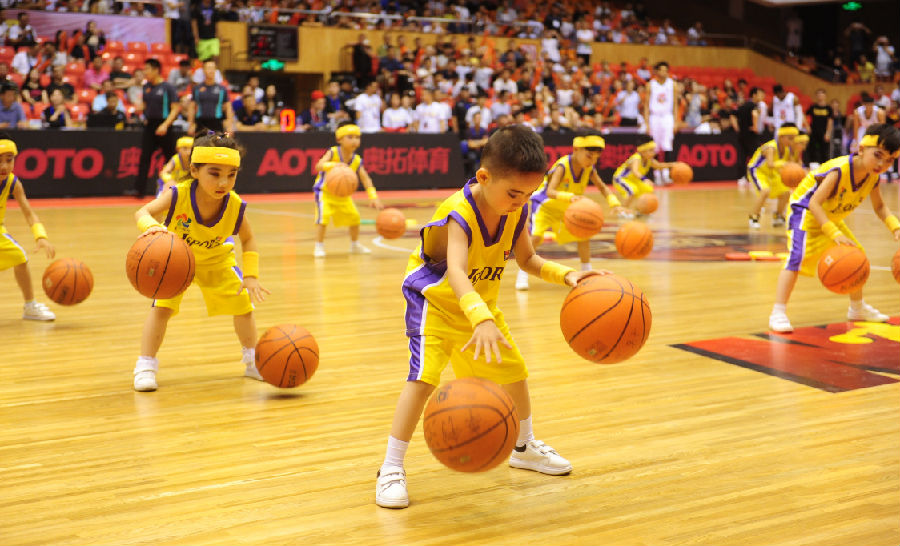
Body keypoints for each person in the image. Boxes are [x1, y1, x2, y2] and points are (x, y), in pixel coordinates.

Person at [375, 125, 603, 509]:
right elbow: (458, 271)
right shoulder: (457, 212)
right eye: (513, 193)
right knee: (423, 379)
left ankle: (523, 446)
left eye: (529, 194)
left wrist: (566, 275)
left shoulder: (519, 207)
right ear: (483, 177)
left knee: (515, 373)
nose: (520, 201)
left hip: (479, 306)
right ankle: (390, 467)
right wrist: (480, 318)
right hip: (435, 303)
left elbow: (528, 259)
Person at [131, 133, 270, 391]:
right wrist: (153, 229)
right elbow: (143, 212)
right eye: (215, 174)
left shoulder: (235, 205)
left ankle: (252, 361)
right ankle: (145, 365)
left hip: (217, 259)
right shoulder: (177, 195)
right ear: (194, 170)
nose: (224, 182)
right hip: (176, 260)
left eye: (231, 174)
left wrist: (250, 275)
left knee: (243, 306)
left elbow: (248, 240)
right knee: (162, 309)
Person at [768, 123, 900, 333]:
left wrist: (895, 227)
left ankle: (857, 309)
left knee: (857, 256)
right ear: (861, 149)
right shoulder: (840, 170)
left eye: (890, 160)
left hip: (829, 215)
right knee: (797, 257)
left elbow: (880, 206)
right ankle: (778, 311)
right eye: (878, 155)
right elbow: (813, 204)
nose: (882, 163)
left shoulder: (872, 176)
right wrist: (833, 233)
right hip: (805, 211)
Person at [515, 134, 626, 291]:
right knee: (536, 238)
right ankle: (523, 272)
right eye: (589, 156)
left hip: (567, 208)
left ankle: (587, 272)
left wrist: (614, 203)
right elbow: (550, 191)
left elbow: (602, 187)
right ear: (576, 150)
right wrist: (570, 196)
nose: (592, 161)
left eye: (595, 158)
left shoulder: (589, 168)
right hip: (545, 205)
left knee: (584, 235)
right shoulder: (563, 166)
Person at [0, 134, 56, 321]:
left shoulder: (12, 183)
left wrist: (40, 236)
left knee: (20, 258)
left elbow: (29, 213)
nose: (4, 167)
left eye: (9, 160)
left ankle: (30, 306)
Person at [311, 122, 383, 258]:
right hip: (324, 192)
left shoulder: (356, 160)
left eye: (357, 137)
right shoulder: (333, 152)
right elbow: (319, 166)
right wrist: (333, 165)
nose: (354, 140)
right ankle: (319, 245)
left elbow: (366, 179)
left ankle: (354, 245)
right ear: (339, 139)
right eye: (350, 137)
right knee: (323, 218)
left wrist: (373, 197)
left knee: (354, 218)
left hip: (343, 194)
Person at [133, 58, 181, 197]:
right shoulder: (146, 86)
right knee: (144, 157)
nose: (145, 72)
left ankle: (174, 189)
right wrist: (140, 109)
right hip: (150, 125)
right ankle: (139, 191)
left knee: (170, 159)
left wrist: (165, 125)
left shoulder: (168, 87)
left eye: (147, 69)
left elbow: (175, 108)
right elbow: (145, 106)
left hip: (165, 125)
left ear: (156, 70)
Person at [746, 123, 797, 228]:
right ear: (781, 137)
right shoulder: (771, 147)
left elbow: (792, 165)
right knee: (765, 191)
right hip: (758, 171)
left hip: (771, 173)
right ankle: (754, 216)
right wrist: (783, 164)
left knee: (786, 191)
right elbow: (770, 164)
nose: (792, 141)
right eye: (790, 138)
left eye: (793, 139)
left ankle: (778, 215)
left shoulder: (787, 150)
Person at [612, 136, 675, 210]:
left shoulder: (649, 160)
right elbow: (635, 171)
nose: (653, 153)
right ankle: (622, 210)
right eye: (650, 150)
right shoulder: (636, 158)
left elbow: (659, 166)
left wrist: (673, 164)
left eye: (653, 150)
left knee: (647, 190)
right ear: (642, 151)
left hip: (633, 180)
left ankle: (639, 210)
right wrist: (644, 179)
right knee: (632, 191)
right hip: (621, 179)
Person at [643, 61, 678, 184]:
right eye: (661, 70)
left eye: (666, 70)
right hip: (655, 117)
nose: (664, 72)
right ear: (656, 71)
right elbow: (646, 105)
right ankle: (657, 174)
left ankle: (667, 174)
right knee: (655, 147)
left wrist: (676, 121)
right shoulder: (651, 85)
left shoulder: (672, 84)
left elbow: (675, 104)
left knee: (667, 145)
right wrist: (646, 123)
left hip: (667, 117)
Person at [189, 59, 235, 135]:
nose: (211, 71)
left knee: (216, 145)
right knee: (200, 145)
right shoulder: (197, 89)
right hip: (201, 122)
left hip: (217, 123)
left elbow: (228, 107)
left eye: (213, 68)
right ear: (203, 70)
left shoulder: (222, 89)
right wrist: (190, 124)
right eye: (209, 68)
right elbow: (192, 107)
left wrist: (229, 125)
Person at [805, 89, 833, 167]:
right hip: (813, 132)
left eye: (822, 94)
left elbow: (830, 121)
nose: (820, 96)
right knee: (812, 149)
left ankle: (825, 166)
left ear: (825, 96)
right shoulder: (813, 107)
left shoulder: (828, 108)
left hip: (824, 132)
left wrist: (828, 133)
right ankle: (811, 166)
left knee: (824, 151)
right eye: (818, 94)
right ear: (816, 96)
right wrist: (807, 126)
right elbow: (804, 116)